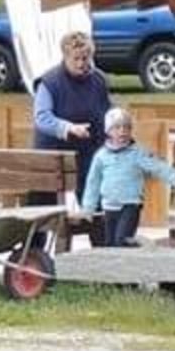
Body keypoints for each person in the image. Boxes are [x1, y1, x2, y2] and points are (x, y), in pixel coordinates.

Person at [82, 108, 175, 248]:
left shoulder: (137, 153)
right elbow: (93, 182)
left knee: (122, 240)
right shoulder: (101, 156)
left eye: (127, 127)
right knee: (109, 244)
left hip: (130, 204)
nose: (122, 131)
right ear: (108, 131)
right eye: (117, 128)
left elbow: (156, 166)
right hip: (108, 205)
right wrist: (88, 208)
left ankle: (138, 249)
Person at [31, 31, 112, 214]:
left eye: (85, 58)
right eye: (76, 59)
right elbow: (42, 118)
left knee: (95, 206)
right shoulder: (50, 82)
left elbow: (107, 112)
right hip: (53, 155)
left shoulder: (99, 80)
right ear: (65, 57)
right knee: (41, 210)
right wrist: (68, 128)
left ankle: (101, 241)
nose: (81, 63)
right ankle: (36, 242)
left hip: (88, 154)